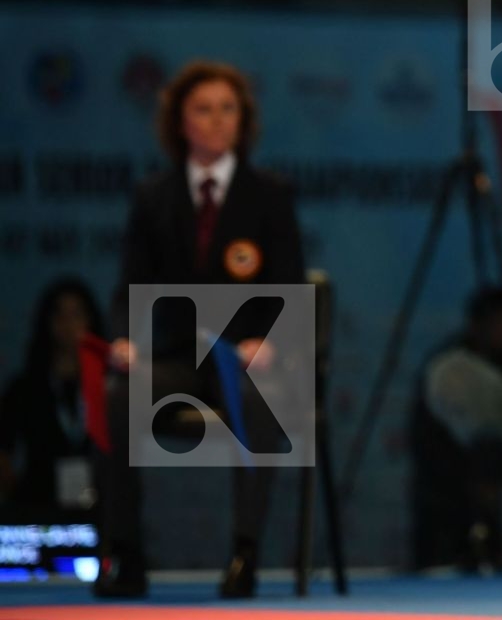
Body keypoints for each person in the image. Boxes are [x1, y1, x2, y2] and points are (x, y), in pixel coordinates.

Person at [95, 59, 305, 600]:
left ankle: (244, 553)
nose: (216, 121)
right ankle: (126, 554)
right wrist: (125, 340)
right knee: (115, 397)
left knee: (266, 398)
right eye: (203, 110)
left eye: (228, 110)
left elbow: (290, 287)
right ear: (180, 123)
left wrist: (271, 341)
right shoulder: (153, 196)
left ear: (244, 121)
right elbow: (129, 286)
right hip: (174, 360)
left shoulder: (269, 194)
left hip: (242, 361)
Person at [410, 285, 502, 573]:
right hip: (446, 510)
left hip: (482, 512)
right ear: (478, 325)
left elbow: (493, 446)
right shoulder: (452, 370)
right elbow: (481, 445)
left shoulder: (498, 369)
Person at [0, 278, 107, 514]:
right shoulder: (24, 388)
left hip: (101, 508)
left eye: (77, 314)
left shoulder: (109, 389)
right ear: (46, 322)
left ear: (90, 321)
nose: (68, 324)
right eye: (59, 315)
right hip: (36, 506)